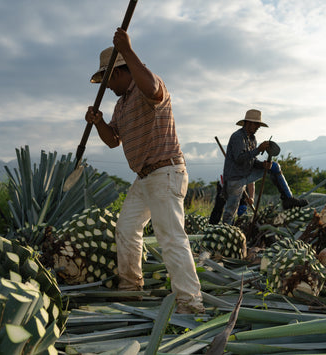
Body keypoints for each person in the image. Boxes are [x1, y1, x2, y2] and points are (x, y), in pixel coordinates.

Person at [85, 28, 205, 314]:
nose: (108, 86)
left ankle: (191, 303)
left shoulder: (148, 86)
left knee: (170, 237)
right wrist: (99, 122)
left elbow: (152, 88)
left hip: (165, 172)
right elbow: (113, 141)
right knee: (126, 228)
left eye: (108, 79)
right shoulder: (120, 104)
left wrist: (126, 49)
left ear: (118, 73)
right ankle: (130, 287)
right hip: (144, 177)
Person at [221, 109, 308, 225]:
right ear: (249, 123)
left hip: (246, 174)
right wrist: (258, 150)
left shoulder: (252, 139)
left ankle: (288, 199)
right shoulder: (238, 137)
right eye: (256, 124)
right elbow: (239, 159)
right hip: (235, 178)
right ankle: (226, 232)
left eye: (258, 125)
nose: (258, 127)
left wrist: (262, 165)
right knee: (230, 212)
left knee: (274, 167)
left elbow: (251, 160)